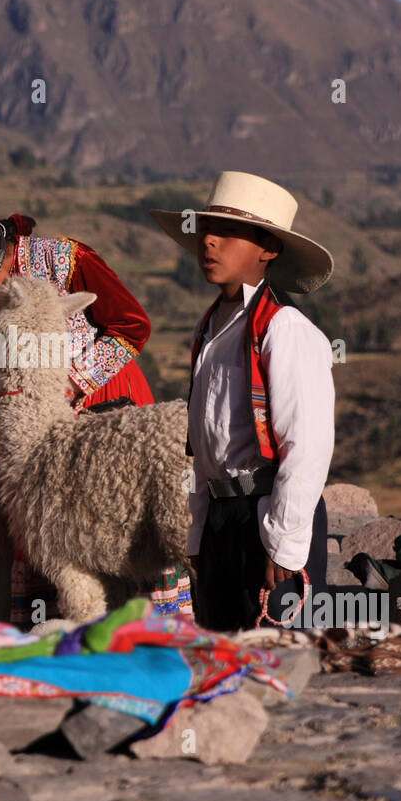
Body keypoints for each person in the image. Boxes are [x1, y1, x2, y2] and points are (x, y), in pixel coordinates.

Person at [0, 203, 190, 622]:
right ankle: (73, 633)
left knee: (126, 522)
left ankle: (149, 633)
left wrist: (72, 380)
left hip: (107, 403)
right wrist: (16, 378)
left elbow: (132, 325)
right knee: (55, 533)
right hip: (37, 421)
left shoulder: (64, 260)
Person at [152, 171, 335, 632]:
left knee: (274, 658)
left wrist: (286, 545)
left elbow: (307, 443)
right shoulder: (210, 330)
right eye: (206, 230)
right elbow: (204, 446)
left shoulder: (285, 330)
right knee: (221, 656)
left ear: (268, 249)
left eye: (229, 232)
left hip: (267, 515)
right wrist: (199, 530)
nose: (209, 242)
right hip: (221, 520)